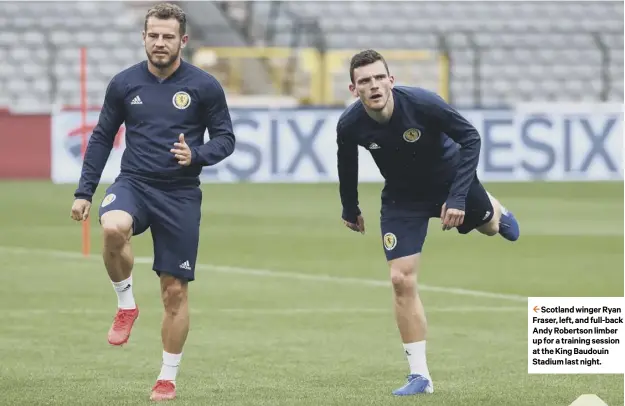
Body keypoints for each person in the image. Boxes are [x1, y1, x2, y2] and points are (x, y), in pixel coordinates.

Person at [69, 3, 236, 401]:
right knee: (113, 227)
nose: (160, 43)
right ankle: (126, 305)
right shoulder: (124, 84)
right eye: (154, 35)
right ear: (144, 37)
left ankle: (167, 377)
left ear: (183, 40)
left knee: (174, 291)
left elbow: (226, 139)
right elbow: (100, 137)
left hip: (180, 194)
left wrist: (196, 155)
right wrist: (84, 191)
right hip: (135, 183)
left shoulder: (205, 86)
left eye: (168, 36)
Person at [335, 49, 520, 396]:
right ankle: (419, 376)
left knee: (490, 227)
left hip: (450, 183)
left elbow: (471, 138)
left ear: (391, 80)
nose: (373, 86)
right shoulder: (350, 124)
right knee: (400, 280)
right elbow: (347, 162)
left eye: (379, 78)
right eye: (364, 81)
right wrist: (350, 207)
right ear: (353, 89)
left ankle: (496, 211)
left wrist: (460, 197)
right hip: (402, 199)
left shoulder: (423, 103)